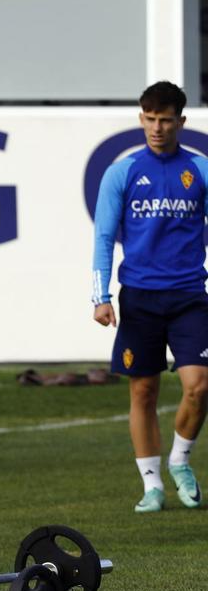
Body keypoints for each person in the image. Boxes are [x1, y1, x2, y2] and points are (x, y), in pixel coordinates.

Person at [92, 80, 208, 513]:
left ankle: (180, 460)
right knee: (143, 390)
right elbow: (104, 236)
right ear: (141, 118)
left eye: (165, 120)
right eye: (149, 119)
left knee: (199, 386)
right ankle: (152, 485)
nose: (157, 128)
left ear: (181, 121)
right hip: (139, 297)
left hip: (189, 295)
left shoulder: (199, 169)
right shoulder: (122, 172)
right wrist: (100, 295)